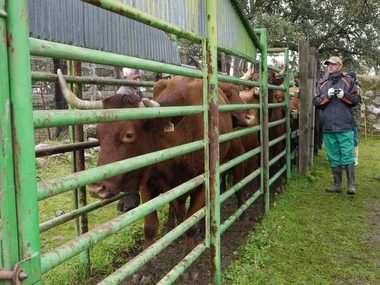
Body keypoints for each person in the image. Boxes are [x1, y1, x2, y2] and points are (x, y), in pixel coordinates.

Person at [312, 56, 361, 195]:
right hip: (328, 126)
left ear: (340, 66)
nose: (330, 66)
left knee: (347, 154)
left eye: (333, 64)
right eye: (328, 64)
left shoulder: (349, 82)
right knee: (333, 156)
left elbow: (357, 100)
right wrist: (326, 97)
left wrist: (344, 95)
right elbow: (315, 102)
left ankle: (351, 186)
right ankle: (337, 185)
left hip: (344, 125)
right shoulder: (322, 83)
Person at [116, 67, 144, 212]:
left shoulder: (136, 91)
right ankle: (128, 198)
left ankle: (127, 198)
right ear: (126, 78)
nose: (139, 80)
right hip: (126, 137)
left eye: (139, 77)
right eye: (135, 78)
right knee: (128, 165)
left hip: (134, 135)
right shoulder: (122, 93)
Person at [346, 71, 362, 165]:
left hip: (354, 118)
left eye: (349, 77)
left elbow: (356, 103)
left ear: (353, 78)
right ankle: (345, 157)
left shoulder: (357, 88)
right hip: (345, 117)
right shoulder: (346, 87)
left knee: (354, 138)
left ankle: (355, 158)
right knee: (345, 137)